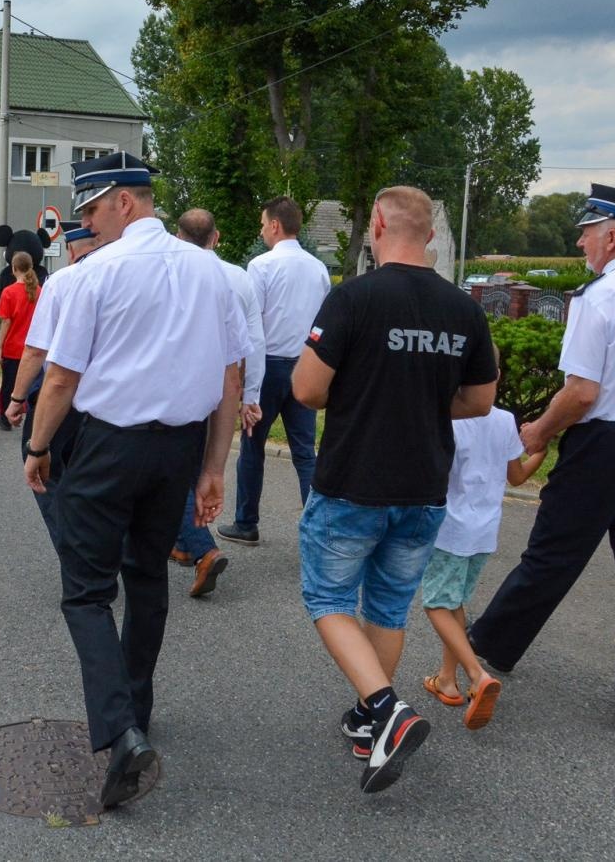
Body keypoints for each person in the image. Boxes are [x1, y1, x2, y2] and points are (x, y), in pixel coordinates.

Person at [23, 151, 247, 810]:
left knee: (86, 593)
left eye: (91, 211)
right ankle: (138, 713)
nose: (86, 225)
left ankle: (119, 731)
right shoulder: (213, 272)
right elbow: (230, 381)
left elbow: (60, 378)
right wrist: (212, 467)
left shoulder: (100, 272)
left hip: (108, 445)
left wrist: (36, 446)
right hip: (177, 447)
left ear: (124, 200)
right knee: (146, 577)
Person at [290, 185, 497, 794]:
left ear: (377, 223)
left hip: (354, 479)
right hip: (425, 485)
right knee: (386, 606)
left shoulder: (352, 297)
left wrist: (362, 395)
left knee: (328, 599)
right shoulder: (464, 309)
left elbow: (305, 389)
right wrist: (421, 403)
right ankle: (367, 720)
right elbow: (481, 399)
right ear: (430, 232)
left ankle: (386, 709)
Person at [468, 184, 615, 738]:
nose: (581, 242)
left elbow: (583, 392)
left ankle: (490, 645)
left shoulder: (600, 298)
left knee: (553, 553)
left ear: (611, 237)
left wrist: (538, 429)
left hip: (608, 441)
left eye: (587, 233)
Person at [421, 390, 546, 730]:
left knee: (435, 604)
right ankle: (447, 680)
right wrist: (541, 452)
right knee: (454, 601)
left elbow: (431, 473)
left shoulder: (448, 419)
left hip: (450, 529)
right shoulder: (505, 420)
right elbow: (517, 477)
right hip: (485, 531)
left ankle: (477, 676)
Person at [219, 196, 331, 546]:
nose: (261, 229)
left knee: (253, 446)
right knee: (304, 450)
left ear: (274, 226)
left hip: (268, 365)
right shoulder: (319, 269)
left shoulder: (261, 266)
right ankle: (318, 527)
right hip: (305, 365)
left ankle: (246, 522)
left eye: (263, 223)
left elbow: (253, 324)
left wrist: (244, 379)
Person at [170, 208, 264, 599]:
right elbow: (255, 341)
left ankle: (201, 547)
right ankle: (184, 542)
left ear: (177, 236)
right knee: (199, 467)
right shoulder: (237, 277)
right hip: (223, 387)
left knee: (175, 470)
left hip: (181, 387)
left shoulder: (173, 273)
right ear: (217, 237)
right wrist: (251, 396)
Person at [6, 225, 100, 547]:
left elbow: (36, 351)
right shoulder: (129, 275)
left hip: (65, 396)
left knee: (45, 472)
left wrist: (17, 398)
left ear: (72, 251)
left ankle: (75, 550)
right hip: (110, 403)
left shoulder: (64, 280)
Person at [0, 251, 38, 431]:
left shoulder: (9, 292)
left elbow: (6, 321)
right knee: (33, 384)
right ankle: (30, 414)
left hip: (13, 347)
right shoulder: (39, 290)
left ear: (13, 268)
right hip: (33, 346)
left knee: (9, 384)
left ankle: (6, 416)